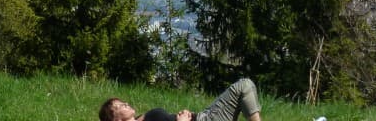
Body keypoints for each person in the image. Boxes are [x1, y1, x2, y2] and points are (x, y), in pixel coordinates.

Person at [100, 78, 263, 121]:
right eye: (120, 106)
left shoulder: (140, 118)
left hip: (202, 116)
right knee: (244, 85)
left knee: (245, 86)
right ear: (116, 119)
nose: (126, 104)